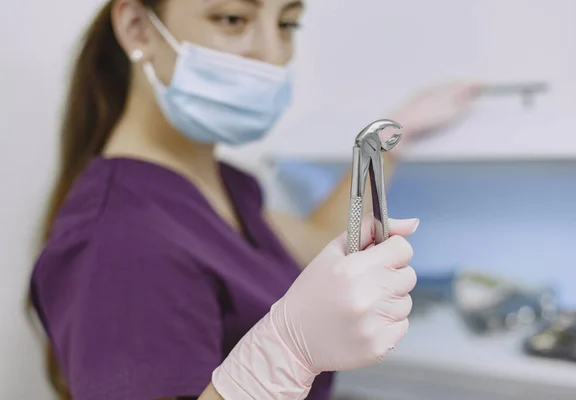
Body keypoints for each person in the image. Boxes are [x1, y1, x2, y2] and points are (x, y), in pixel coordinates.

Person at [28, 0, 479, 399]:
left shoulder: (224, 186)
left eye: (287, 23)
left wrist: (388, 138)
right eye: (232, 18)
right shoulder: (116, 241)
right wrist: (284, 354)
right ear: (137, 28)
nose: (272, 53)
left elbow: (316, 240)